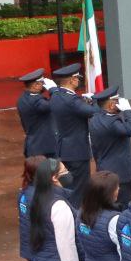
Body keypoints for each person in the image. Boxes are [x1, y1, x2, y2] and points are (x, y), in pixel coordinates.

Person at [48, 63, 97, 201]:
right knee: (80, 189)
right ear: (71, 80)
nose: (78, 80)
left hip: (64, 148)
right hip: (77, 150)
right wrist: (95, 100)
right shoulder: (72, 100)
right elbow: (94, 113)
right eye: (77, 78)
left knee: (68, 186)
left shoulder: (56, 95)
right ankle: (76, 216)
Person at [89, 86, 131, 207]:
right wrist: (128, 110)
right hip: (121, 174)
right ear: (111, 105)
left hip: (104, 168)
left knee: (108, 204)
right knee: (122, 205)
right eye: (117, 101)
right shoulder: (112, 123)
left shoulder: (95, 119)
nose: (119, 103)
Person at [15, 67, 56, 158]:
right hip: (44, 148)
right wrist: (54, 90)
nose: (43, 85)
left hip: (32, 146)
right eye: (42, 83)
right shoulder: (38, 102)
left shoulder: (22, 99)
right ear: (35, 85)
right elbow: (55, 104)